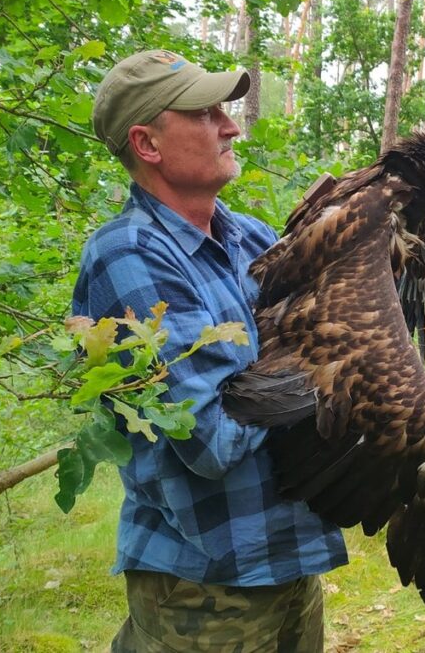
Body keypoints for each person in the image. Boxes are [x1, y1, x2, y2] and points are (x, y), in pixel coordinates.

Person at [74, 49, 347, 652]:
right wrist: (330, 364)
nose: (231, 127)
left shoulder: (251, 235)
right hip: (201, 584)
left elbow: (327, 342)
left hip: (291, 554)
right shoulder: (128, 256)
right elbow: (212, 438)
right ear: (148, 144)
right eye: (205, 114)